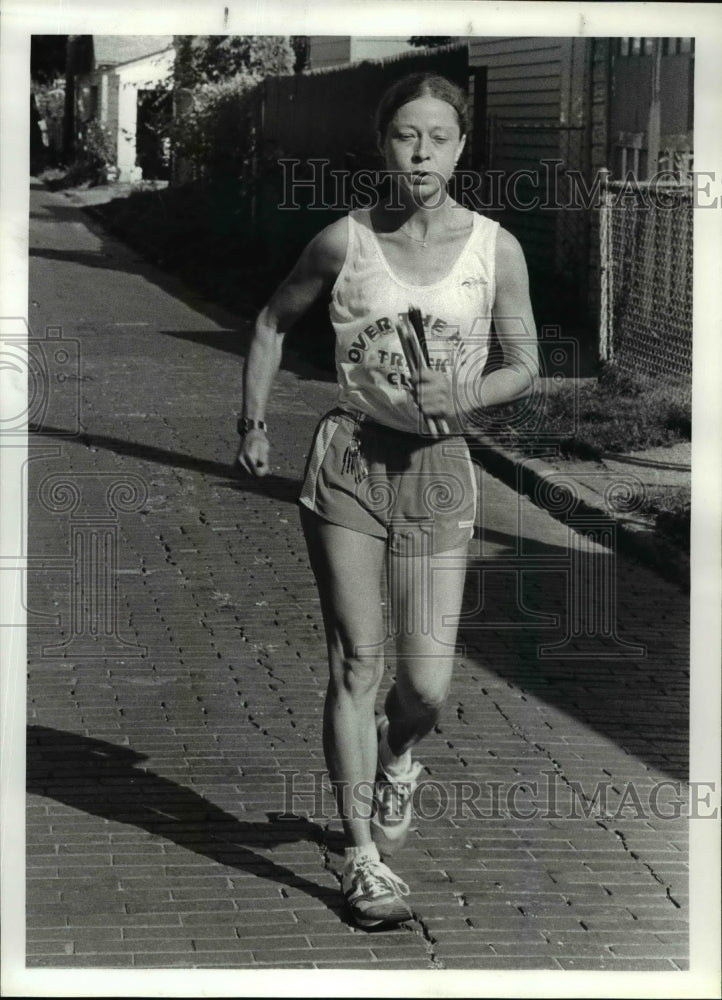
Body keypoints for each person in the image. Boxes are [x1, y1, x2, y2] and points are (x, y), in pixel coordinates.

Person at [237, 72, 538, 930]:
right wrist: (253, 422)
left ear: (461, 146)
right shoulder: (345, 243)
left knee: (426, 686)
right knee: (356, 667)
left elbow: (524, 363)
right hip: (349, 467)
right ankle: (362, 858)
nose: (421, 151)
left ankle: (402, 755)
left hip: (440, 472)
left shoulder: (495, 250)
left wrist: (466, 399)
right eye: (406, 135)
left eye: (439, 136)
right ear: (383, 145)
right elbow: (269, 321)